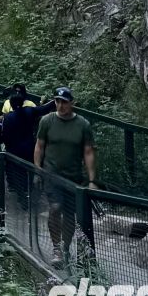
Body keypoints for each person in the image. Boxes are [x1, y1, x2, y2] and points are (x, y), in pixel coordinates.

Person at [35, 87, 98, 267]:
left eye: (64, 102)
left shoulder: (83, 124)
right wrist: (37, 169)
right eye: (57, 101)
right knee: (55, 207)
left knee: (70, 214)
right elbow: (39, 146)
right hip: (51, 174)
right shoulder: (47, 121)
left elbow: (88, 151)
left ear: (72, 103)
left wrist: (92, 180)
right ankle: (56, 247)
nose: (60, 105)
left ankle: (65, 246)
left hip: (73, 176)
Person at [0, 85, 41, 207]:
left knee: (26, 170)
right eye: (16, 91)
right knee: (18, 172)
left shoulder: (30, 105)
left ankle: (26, 193)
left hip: (25, 144)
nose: (18, 93)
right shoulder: (10, 108)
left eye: (20, 91)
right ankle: (22, 195)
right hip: (19, 145)